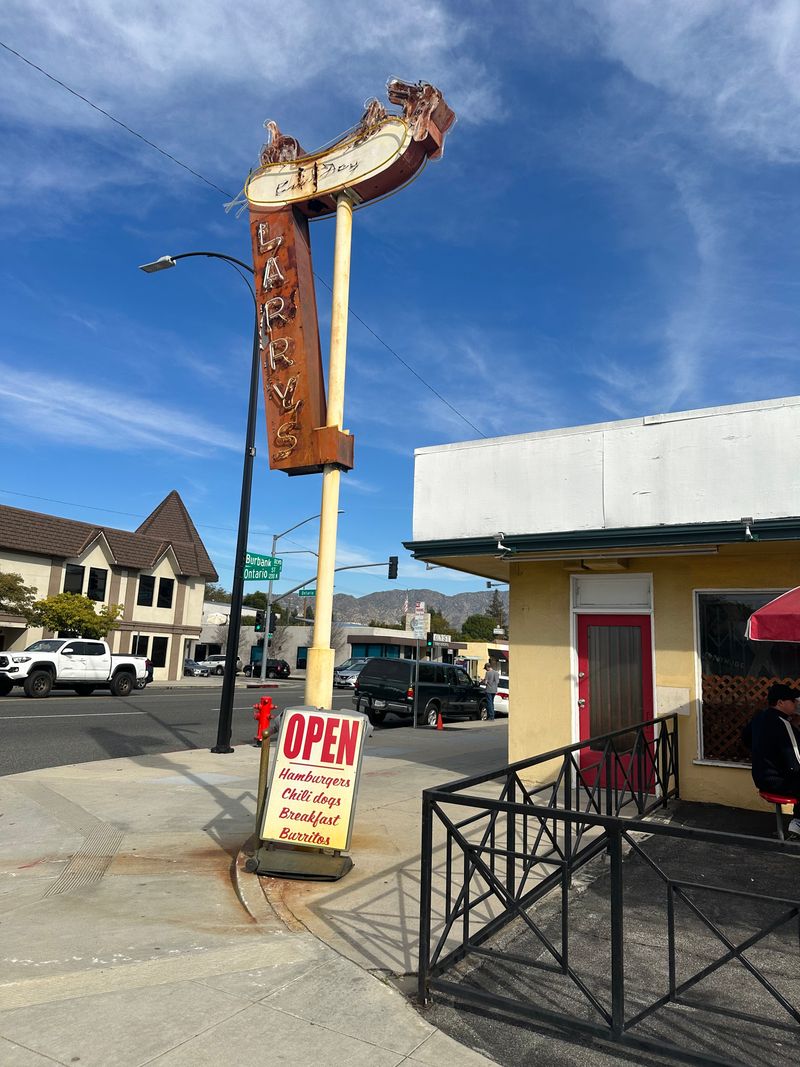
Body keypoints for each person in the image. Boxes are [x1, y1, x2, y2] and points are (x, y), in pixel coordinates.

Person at [742, 682, 800, 839]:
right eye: (792, 701)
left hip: (761, 778)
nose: (795, 704)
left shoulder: (760, 717)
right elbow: (795, 763)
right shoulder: (783, 724)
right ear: (780, 702)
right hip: (778, 781)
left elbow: (746, 738)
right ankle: (798, 821)